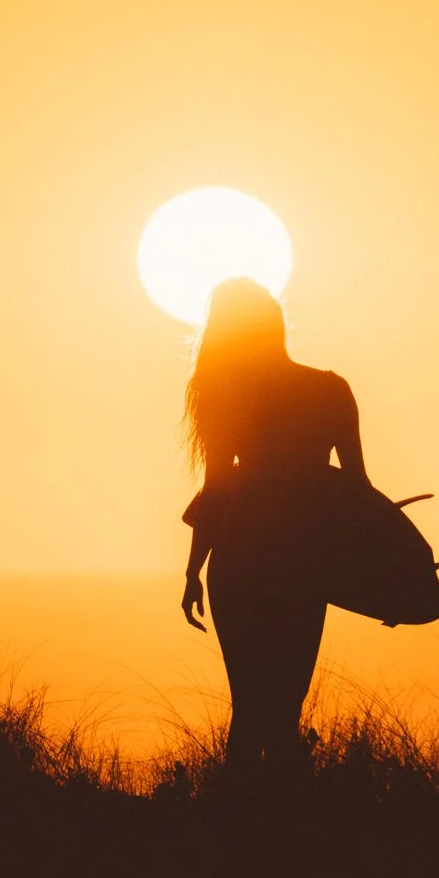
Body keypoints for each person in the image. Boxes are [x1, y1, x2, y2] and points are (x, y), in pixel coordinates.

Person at [180, 277, 370, 776]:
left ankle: (235, 830)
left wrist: (192, 572)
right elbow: (358, 490)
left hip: (239, 560)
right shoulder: (330, 389)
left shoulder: (225, 395)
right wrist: (379, 575)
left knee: (247, 707)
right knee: (285, 711)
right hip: (302, 564)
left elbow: (217, 489)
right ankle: (288, 831)